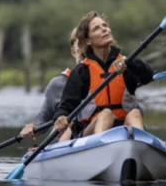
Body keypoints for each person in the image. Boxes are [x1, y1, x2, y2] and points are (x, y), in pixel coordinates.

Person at [49, 13, 152, 143]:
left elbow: (147, 77)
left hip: (124, 130)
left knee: (135, 113)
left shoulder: (126, 64)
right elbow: (66, 107)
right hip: (90, 132)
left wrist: (131, 64)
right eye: (96, 28)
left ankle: (139, 146)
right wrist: (61, 117)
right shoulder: (82, 71)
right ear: (88, 41)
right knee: (106, 114)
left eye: (105, 26)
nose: (104, 29)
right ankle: (99, 148)